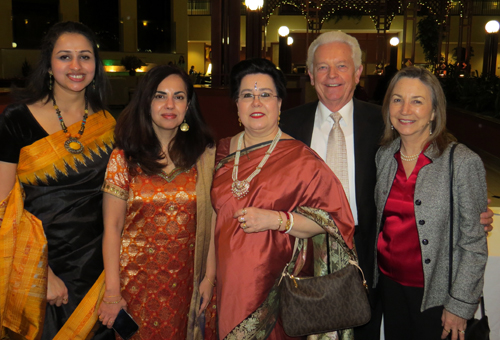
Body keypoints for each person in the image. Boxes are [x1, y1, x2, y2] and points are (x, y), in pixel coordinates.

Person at [280, 31, 494, 340]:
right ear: (310, 75)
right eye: (322, 67)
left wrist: (474, 217)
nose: (332, 76)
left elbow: (457, 222)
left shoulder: (382, 127)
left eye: (341, 65)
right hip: (305, 258)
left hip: (368, 266)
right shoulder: (287, 126)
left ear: (357, 73)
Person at [202, 58, 356, 340]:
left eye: (266, 95)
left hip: (274, 288)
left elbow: (334, 219)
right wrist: (208, 277)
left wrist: (277, 220)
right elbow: (213, 216)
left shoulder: (301, 159)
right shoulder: (220, 152)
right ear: (236, 105)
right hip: (224, 284)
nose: (256, 103)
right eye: (247, 95)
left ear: (280, 104)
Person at [0, 22, 115, 339]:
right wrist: (43, 273)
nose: (76, 66)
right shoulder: (16, 120)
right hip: (37, 266)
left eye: (85, 57)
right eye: (65, 57)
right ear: (49, 64)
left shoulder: (108, 124)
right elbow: (3, 207)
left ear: (96, 65)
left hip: (98, 269)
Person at [98, 65, 217, 340]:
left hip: (190, 280)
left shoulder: (205, 155)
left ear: (188, 105)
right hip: (136, 282)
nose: (169, 105)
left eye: (179, 96)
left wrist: (209, 277)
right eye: (160, 96)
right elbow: (112, 227)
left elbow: (213, 222)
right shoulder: (124, 157)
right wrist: (113, 293)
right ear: (146, 102)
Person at [373, 66, 488, 340]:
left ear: (434, 112)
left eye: (417, 101)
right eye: (397, 99)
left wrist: (460, 305)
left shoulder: (461, 162)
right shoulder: (385, 156)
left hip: (437, 295)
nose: (405, 110)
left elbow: (473, 243)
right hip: (390, 287)